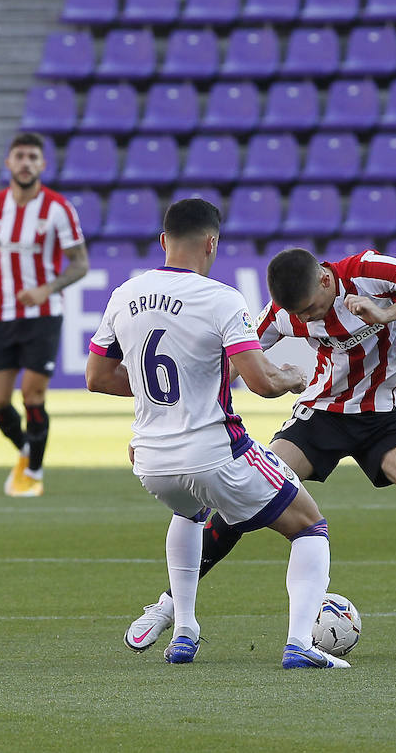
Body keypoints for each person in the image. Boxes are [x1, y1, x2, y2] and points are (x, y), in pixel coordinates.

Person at [125, 245, 396, 660]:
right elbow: (230, 364)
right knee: (243, 490)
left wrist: (387, 313)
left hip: (387, 414)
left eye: (311, 309)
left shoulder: (367, 271)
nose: (308, 320)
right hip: (320, 415)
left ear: (326, 280)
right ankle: (170, 605)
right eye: (300, 314)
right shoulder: (281, 312)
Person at [87, 198, 347, 669]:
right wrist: (292, 376)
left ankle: (184, 627)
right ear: (212, 242)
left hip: (149, 460)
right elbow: (263, 382)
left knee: (189, 513)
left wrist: (165, 398)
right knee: (310, 526)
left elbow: (98, 377)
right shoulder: (222, 298)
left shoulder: (124, 294)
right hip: (214, 452)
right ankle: (299, 645)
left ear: (164, 241)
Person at [0, 132, 89, 498]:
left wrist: (46, 290)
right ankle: (27, 449)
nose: (25, 163)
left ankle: (33, 471)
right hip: (3, 315)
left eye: (32, 157)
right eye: (19, 156)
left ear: (42, 165)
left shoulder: (58, 209)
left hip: (44, 315)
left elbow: (80, 264)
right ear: (8, 163)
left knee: (33, 395)